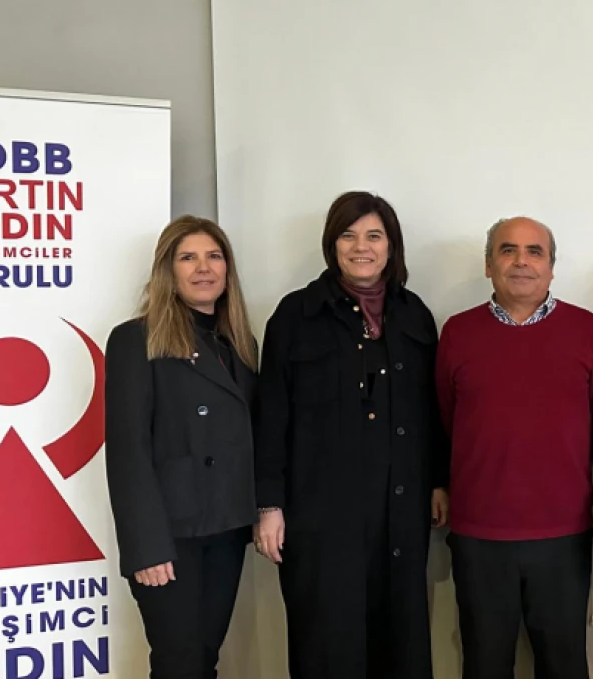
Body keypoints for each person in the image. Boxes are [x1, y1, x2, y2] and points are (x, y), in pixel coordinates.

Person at [253, 191, 447, 678]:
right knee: (327, 646)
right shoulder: (296, 316)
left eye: (374, 236)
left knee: (398, 645)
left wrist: (438, 482)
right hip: (319, 520)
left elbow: (433, 411)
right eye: (349, 235)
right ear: (332, 244)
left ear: (391, 245)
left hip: (399, 515)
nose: (362, 247)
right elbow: (271, 415)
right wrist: (269, 505)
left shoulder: (415, 315)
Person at [435, 216, 593, 679]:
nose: (521, 261)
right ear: (488, 265)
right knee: (484, 664)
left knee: (564, 664)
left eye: (535, 251)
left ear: (551, 267)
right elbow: (447, 419)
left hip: (563, 533)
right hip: (479, 535)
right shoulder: (457, 332)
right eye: (507, 250)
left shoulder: (586, 329)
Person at [104, 215, 259, 678]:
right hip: (169, 537)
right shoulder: (136, 339)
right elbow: (128, 451)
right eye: (188, 258)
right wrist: (146, 547)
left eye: (214, 256)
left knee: (204, 658)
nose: (203, 268)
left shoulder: (240, 344)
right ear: (168, 271)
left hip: (226, 528)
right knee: (179, 664)